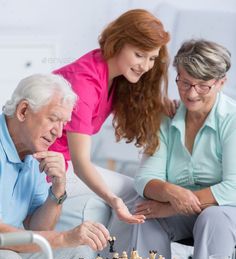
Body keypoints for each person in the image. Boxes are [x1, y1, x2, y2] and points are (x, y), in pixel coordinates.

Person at [134, 39, 236, 259]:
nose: (191, 93)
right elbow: (144, 178)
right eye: (184, 82)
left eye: (203, 86)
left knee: (213, 215)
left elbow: (232, 187)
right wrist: (168, 192)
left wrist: (172, 206)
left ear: (221, 82)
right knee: (143, 215)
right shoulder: (167, 118)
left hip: (226, 210)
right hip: (182, 210)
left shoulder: (231, 120)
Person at [0, 73, 110, 259]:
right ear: (24, 111)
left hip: (12, 247)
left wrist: (57, 189)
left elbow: (36, 225)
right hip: (4, 250)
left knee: (79, 256)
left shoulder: (33, 153)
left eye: (64, 123)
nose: (59, 132)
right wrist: (62, 238)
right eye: (53, 119)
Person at [49, 8, 174, 225]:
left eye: (152, 58)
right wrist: (113, 199)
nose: (145, 66)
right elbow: (80, 164)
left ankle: (122, 256)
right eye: (139, 55)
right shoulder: (84, 83)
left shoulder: (112, 73)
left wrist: (160, 103)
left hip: (61, 162)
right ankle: (123, 258)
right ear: (119, 43)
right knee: (133, 194)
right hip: (45, 167)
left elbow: (138, 101)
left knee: (132, 193)